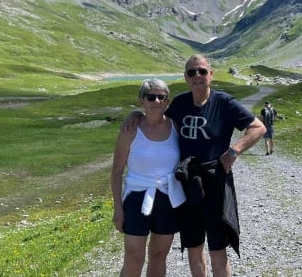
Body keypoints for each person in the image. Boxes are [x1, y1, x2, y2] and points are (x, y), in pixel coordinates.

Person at [122, 54, 266, 277]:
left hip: (216, 182)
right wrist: (135, 113)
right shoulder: (179, 103)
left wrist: (234, 151)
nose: (197, 76)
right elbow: (155, 112)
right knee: (194, 248)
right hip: (188, 184)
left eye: (201, 71)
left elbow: (258, 128)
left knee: (218, 251)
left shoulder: (224, 103)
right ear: (186, 78)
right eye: (191, 72)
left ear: (211, 74)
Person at [111, 78, 186, 277]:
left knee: (159, 255)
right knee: (134, 257)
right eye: (151, 97)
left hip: (168, 197)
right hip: (136, 198)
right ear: (141, 101)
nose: (157, 101)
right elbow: (117, 170)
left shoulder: (176, 127)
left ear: (167, 101)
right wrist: (118, 209)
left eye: (162, 97)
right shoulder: (130, 129)